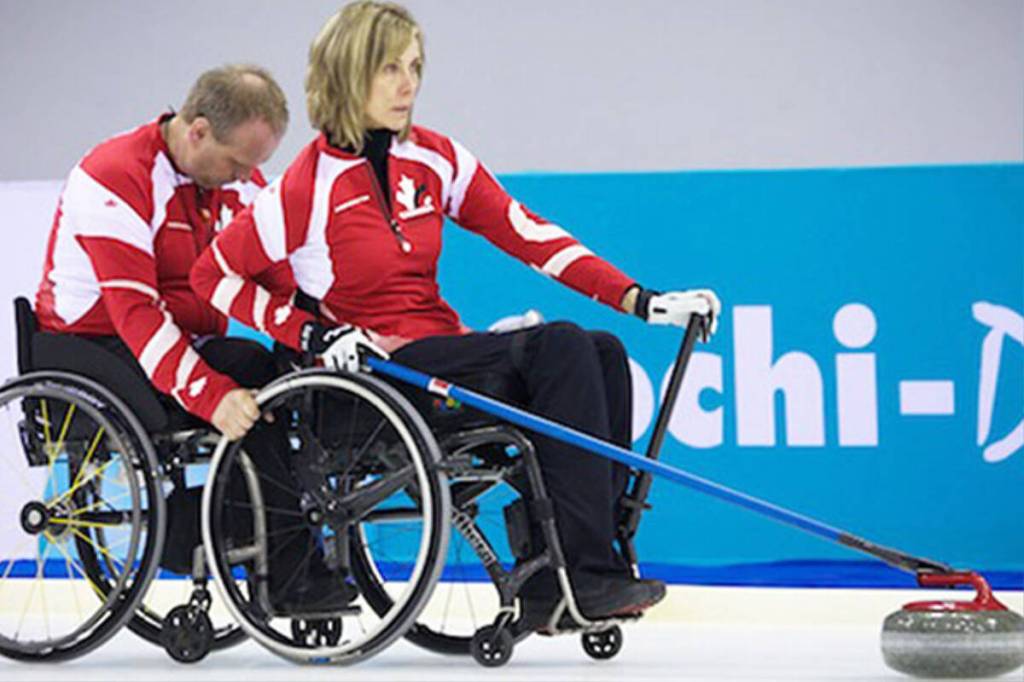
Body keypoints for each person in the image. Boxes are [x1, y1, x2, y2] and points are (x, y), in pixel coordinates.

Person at [190, 2, 721, 627]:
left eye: (415, 66)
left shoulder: (434, 158)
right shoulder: (307, 186)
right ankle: (580, 571)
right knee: (560, 347)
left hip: (441, 348)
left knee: (602, 350)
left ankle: (563, 569)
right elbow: (212, 276)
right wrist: (310, 332)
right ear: (346, 71)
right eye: (389, 67)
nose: (408, 84)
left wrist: (638, 298)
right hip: (377, 374)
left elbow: (526, 232)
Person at [34, 64, 349, 611]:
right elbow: (136, 314)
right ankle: (287, 569)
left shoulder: (238, 181)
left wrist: (332, 333)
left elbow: (283, 280)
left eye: (255, 166)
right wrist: (212, 396)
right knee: (242, 381)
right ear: (197, 130)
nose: (244, 177)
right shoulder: (114, 176)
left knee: (281, 374)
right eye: (235, 162)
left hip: (182, 337)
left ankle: (282, 538)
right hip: (95, 348)